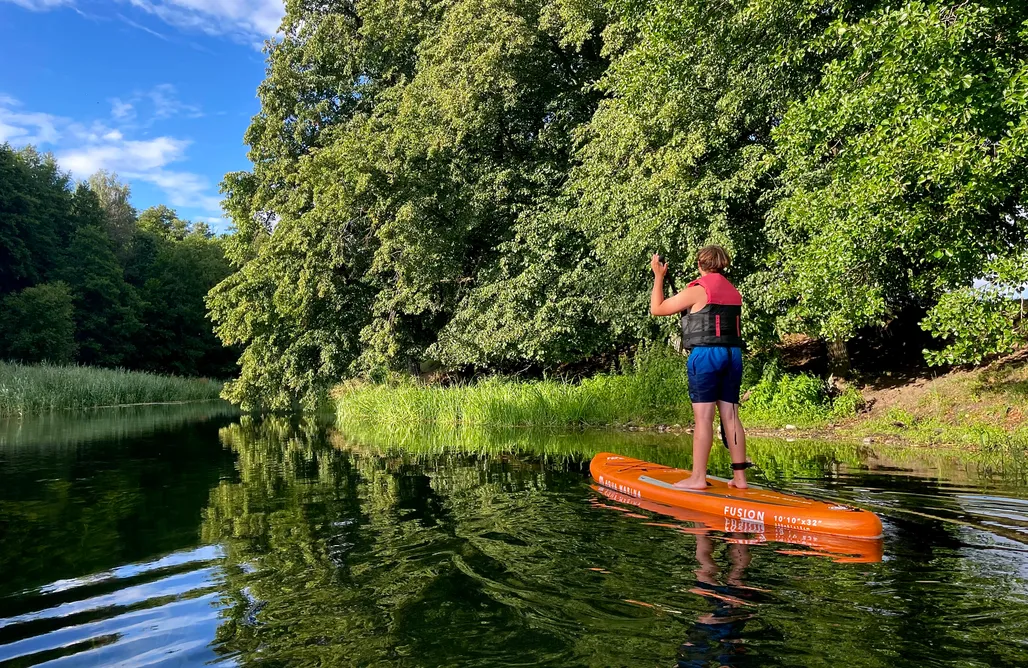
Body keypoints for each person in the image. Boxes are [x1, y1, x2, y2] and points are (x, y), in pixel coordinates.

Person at [649, 245, 749, 489]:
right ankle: (740, 479)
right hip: (733, 354)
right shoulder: (734, 291)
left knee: (704, 418)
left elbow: (657, 309)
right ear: (723, 264)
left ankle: (698, 478)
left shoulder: (697, 290)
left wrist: (658, 276)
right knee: (731, 416)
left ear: (700, 264)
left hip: (706, 355)